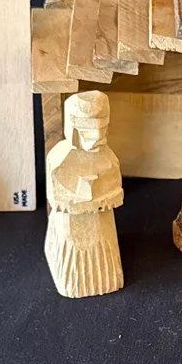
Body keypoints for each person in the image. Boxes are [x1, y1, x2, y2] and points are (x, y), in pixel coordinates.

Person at [44, 91, 124, 297]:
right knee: (74, 257)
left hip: (99, 221)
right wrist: (81, 197)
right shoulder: (60, 159)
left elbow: (116, 190)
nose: (97, 139)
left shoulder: (108, 157)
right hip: (72, 223)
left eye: (103, 131)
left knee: (103, 251)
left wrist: (103, 198)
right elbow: (55, 197)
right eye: (89, 133)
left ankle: (105, 281)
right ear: (73, 129)